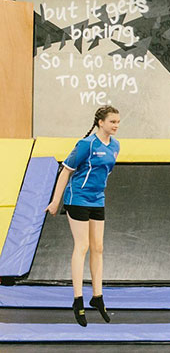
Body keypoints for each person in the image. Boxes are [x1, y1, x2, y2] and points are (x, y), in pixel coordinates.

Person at [45, 105, 121, 326]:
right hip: (77, 197)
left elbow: (103, 173)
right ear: (101, 123)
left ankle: (97, 297)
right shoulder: (86, 145)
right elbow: (67, 170)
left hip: (97, 199)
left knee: (98, 247)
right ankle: (77, 300)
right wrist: (55, 201)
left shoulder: (115, 146)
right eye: (112, 122)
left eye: (118, 122)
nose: (116, 125)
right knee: (82, 246)